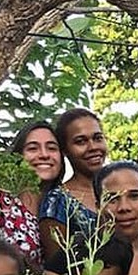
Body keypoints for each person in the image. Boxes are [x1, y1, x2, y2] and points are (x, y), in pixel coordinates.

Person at [0, 121, 63, 266]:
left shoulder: (65, 207)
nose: (44, 155)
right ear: (18, 156)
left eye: (52, 148)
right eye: (33, 148)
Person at [39, 108, 107, 261]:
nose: (93, 147)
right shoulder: (57, 202)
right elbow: (57, 269)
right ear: (65, 150)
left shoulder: (124, 190)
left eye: (97, 138)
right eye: (80, 142)